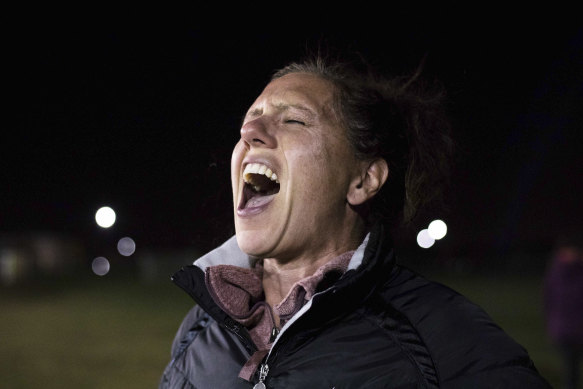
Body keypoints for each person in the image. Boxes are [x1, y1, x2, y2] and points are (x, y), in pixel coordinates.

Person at [159, 51, 551, 388]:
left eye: (293, 119)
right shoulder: (198, 329)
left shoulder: (450, 343)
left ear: (363, 180)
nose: (249, 130)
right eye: (251, 117)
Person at [544, 232, 583, 389]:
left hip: (571, 328)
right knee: (571, 371)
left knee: (572, 371)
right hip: (567, 330)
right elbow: (549, 301)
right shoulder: (558, 272)